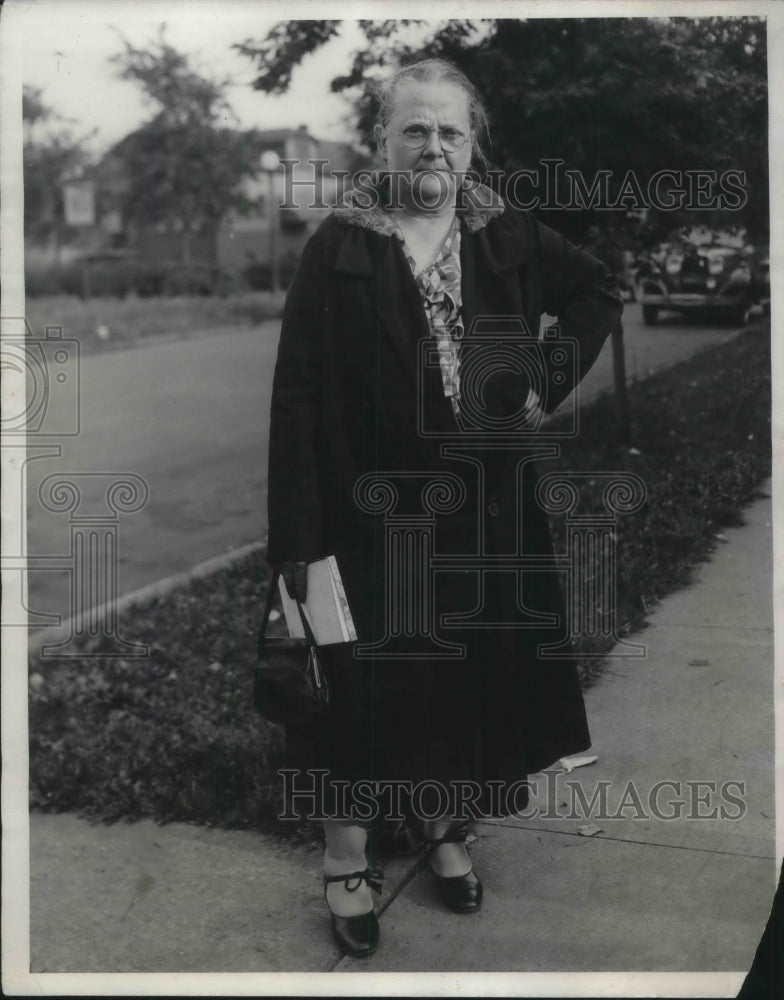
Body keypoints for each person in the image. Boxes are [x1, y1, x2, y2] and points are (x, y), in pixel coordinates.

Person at [266, 57, 623, 958]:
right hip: (369, 518)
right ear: (383, 141)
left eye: (450, 131)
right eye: (414, 128)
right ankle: (346, 858)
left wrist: (544, 377)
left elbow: (597, 292)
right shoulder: (340, 249)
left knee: (461, 680)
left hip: (484, 511)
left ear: (474, 146)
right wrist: (300, 550)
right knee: (363, 691)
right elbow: (297, 404)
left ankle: (442, 827)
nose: (433, 144)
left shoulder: (505, 234)